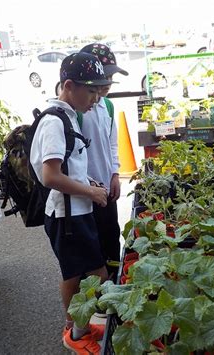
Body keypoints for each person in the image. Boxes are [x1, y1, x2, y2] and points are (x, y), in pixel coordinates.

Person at [29, 52, 113, 354]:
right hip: (67, 216)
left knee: (88, 274)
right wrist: (90, 193)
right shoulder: (54, 121)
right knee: (80, 275)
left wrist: (88, 183)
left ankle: (78, 327)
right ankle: (76, 333)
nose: (95, 98)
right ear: (68, 85)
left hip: (74, 211)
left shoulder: (66, 116)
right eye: (90, 91)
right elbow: (50, 176)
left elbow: (67, 167)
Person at [78, 43, 129, 276]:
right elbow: (72, 155)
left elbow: (112, 144)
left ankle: (114, 288)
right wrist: (89, 185)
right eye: (105, 76)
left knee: (111, 240)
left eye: (111, 76)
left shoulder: (107, 106)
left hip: (107, 189)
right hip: (85, 193)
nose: (108, 82)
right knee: (92, 251)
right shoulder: (78, 109)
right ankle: (98, 302)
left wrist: (115, 174)